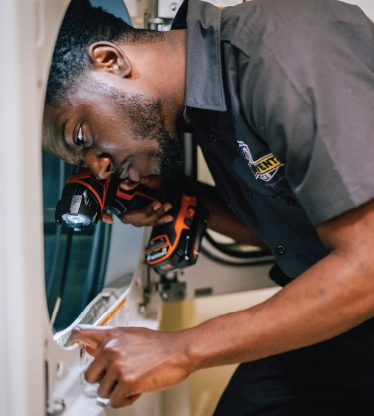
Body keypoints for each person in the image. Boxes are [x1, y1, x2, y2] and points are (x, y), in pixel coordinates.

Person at [42, 0, 374, 413]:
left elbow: (367, 266)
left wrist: (181, 349)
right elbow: (298, 238)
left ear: (110, 61)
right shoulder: (201, 111)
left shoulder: (278, 54)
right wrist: (181, 196)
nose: (98, 167)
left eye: (80, 137)